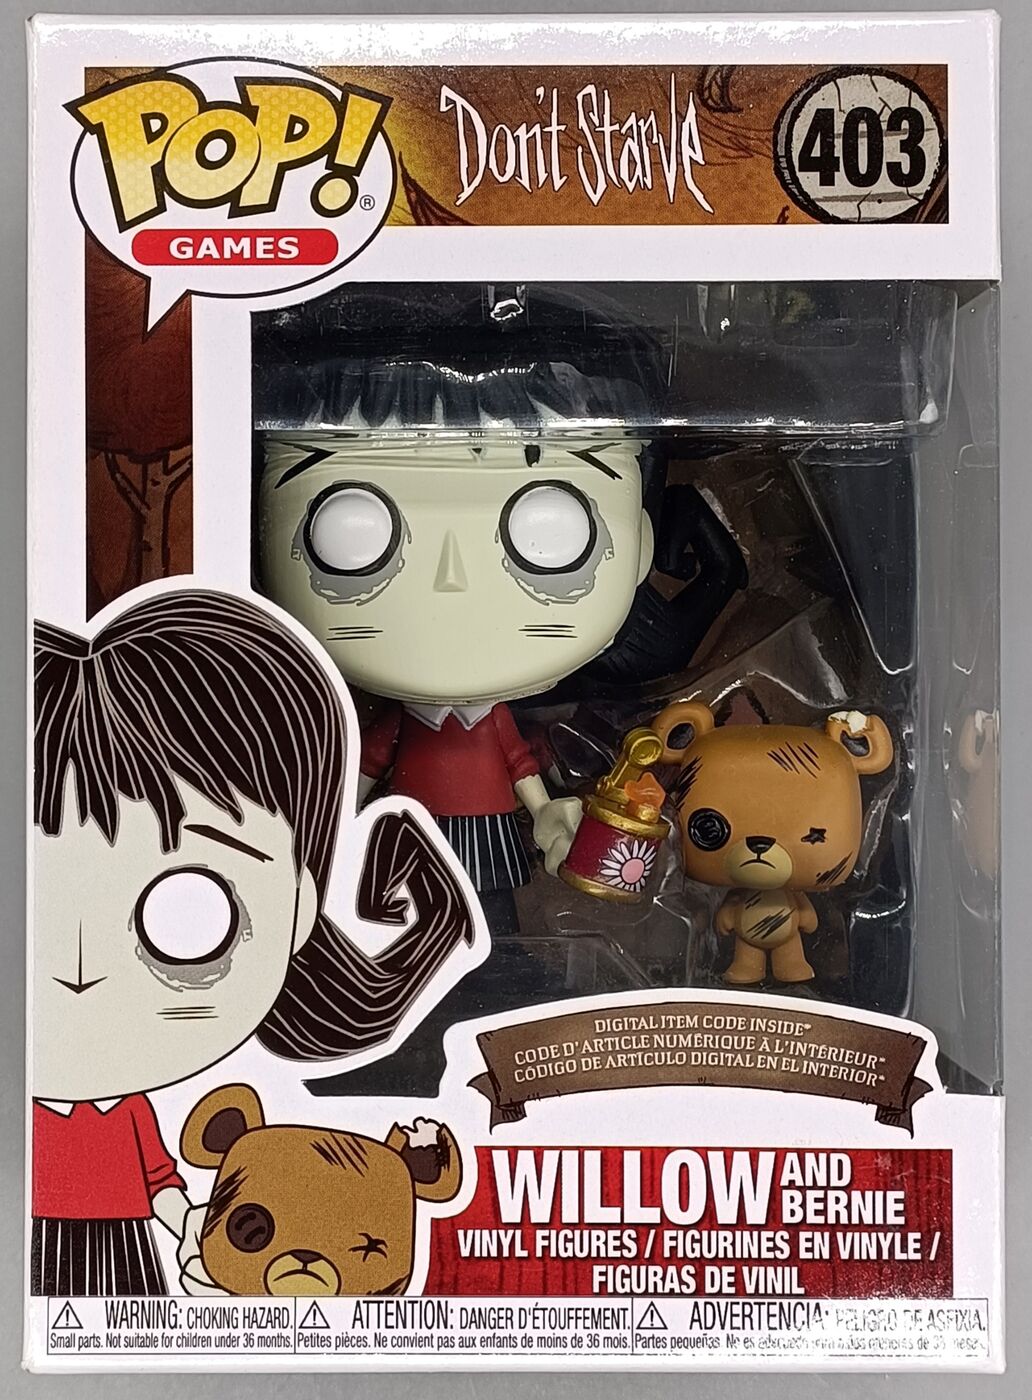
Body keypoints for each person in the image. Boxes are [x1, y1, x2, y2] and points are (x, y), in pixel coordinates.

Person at [31, 589, 475, 1295]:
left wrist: (193, 1233)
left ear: (301, 902)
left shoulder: (132, 1110)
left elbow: (161, 1183)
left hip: (124, 1253)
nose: (78, 971)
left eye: (190, 914)